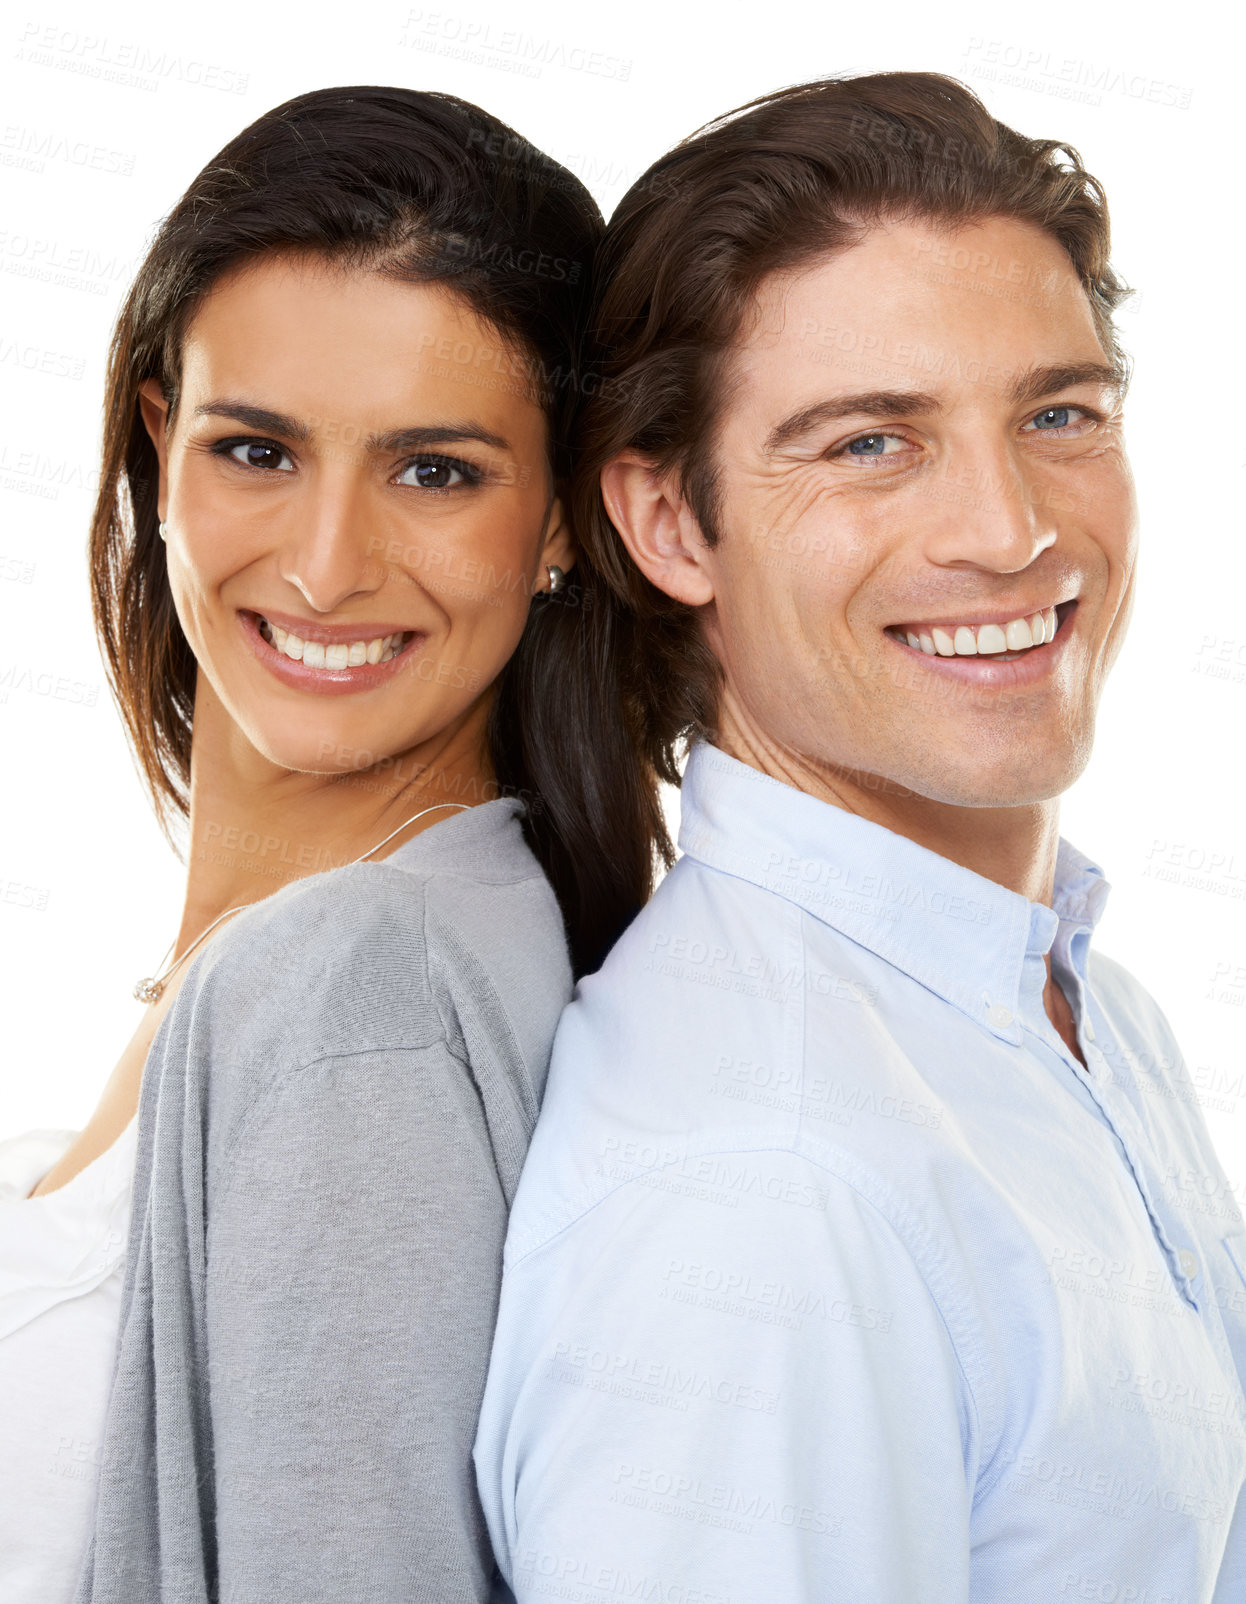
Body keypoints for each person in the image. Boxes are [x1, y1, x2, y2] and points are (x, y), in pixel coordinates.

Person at [474, 71, 1246, 1601]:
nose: (1009, 526)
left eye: (1059, 414)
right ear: (668, 521)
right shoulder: (758, 1186)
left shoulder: (1076, 1005)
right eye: (868, 444)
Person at [0, 86, 666, 1604]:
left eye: (435, 471)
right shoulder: (366, 956)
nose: (322, 564)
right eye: (257, 451)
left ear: (562, 516)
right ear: (159, 440)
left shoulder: (356, 990)